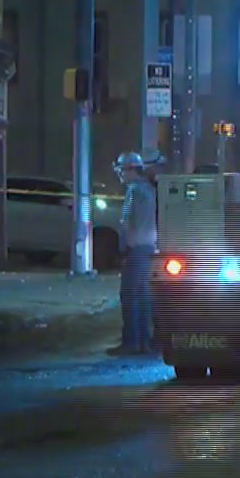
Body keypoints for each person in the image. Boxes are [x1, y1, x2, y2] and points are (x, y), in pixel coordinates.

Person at [109, 151, 159, 356]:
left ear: (130, 170)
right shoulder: (150, 191)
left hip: (136, 249)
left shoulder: (134, 191)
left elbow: (129, 223)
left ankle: (131, 342)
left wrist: (123, 249)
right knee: (144, 296)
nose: (120, 175)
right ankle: (144, 341)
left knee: (130, 296)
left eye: (122, 170)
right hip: (149, 248)